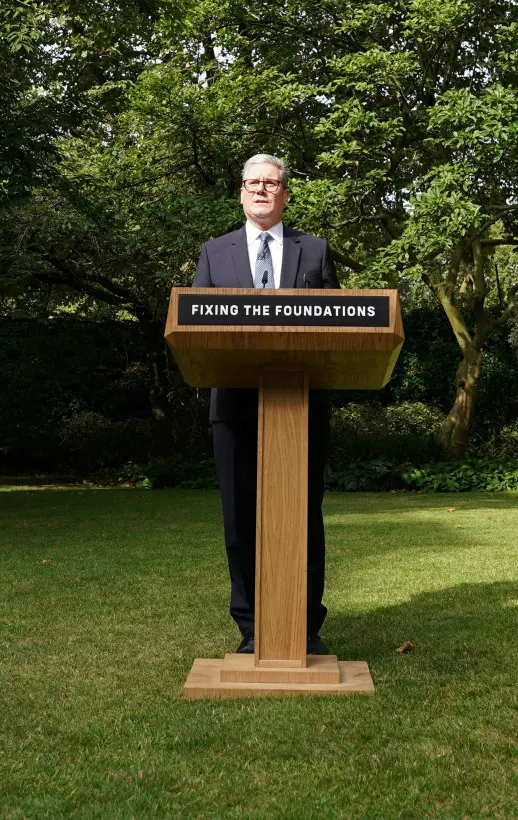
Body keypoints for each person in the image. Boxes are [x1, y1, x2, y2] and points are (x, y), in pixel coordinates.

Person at [193, 153, 340, 656]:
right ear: (240, 192)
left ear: (285, 193)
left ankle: (305, 625)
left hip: (300, 408)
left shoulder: (315, 252)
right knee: (240, 521)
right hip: (233, 409)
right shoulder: (214, 252)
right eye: (252, 183)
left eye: (271, 183)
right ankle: (252, 627)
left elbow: (339, 330)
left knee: (303, 516)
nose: (261, 190)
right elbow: (195, 329)